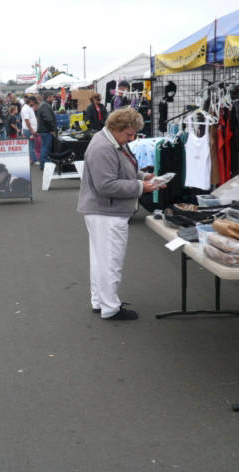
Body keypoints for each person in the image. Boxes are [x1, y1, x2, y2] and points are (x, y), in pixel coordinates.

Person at [77, 108, 159, 321]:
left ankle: (101, 301)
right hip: (107, 211)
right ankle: (110, 307)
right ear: (116, 128)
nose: (132, 139)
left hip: (103, 210)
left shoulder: (109, 141)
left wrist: (144, 176)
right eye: (129, 134)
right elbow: (107, 185)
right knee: (110, 261)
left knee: (101, 260)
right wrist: (141, 186)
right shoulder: (104, 147)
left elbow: (121, 170)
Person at [36, 94, 57, 169]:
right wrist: (52, 129)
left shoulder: (44, 105)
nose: (53, 98)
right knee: (46, 148)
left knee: (44, 147)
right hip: (46, 130)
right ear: (48, 97)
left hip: (44, 130)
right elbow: (48, 119)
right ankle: (45, 164)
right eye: (52, 97)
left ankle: (44, 164)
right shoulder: (45, 105)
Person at [20, 96, 38, 164]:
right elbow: (27, 120)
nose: (34, 104)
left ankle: (32, 159)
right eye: (34, 102)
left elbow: (31, 118)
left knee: (32, 145)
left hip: (30, 129)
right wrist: (32, 130)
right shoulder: (25, 109)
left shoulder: (29, 107)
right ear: (31, 101)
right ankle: (34, 160)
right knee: (31, 146)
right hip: (28, 130)